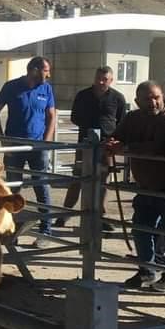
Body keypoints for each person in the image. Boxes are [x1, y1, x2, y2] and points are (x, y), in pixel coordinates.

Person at [107, 81, 165, 292]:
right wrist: (111, 143)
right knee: (141, 229)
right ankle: (147, 270)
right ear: (137, 101)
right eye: (147, 99)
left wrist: (127, 147)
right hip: (145, 185)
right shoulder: (133, 118)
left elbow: (159, 147)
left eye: (156, 97)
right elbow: (118, 135)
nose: (153, 102)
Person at [0, 56, 56, 241]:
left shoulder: (46, 88)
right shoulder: (11, 87)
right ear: (34, 70)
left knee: (41, 185)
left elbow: (51, 115)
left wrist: (46, 141)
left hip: (37, 146)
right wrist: (2, 138)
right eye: (46, 70)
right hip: (14, 144)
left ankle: (45, 230)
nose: (49, 74)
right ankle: (13, 229)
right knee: (13, 187)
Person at [58, 66, 126, 229]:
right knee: (78, 178)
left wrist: (114, 140)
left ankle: (100, 217)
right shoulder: (83, 95)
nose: (100, 82)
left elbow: (121, 121)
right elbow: (74, 117)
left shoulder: (118, 98)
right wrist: (88, 126)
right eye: (98, 78)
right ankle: (64, 214)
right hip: (85, 144)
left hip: (107, 145)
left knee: (103, 181)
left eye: (105, 79)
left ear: (111, 80)